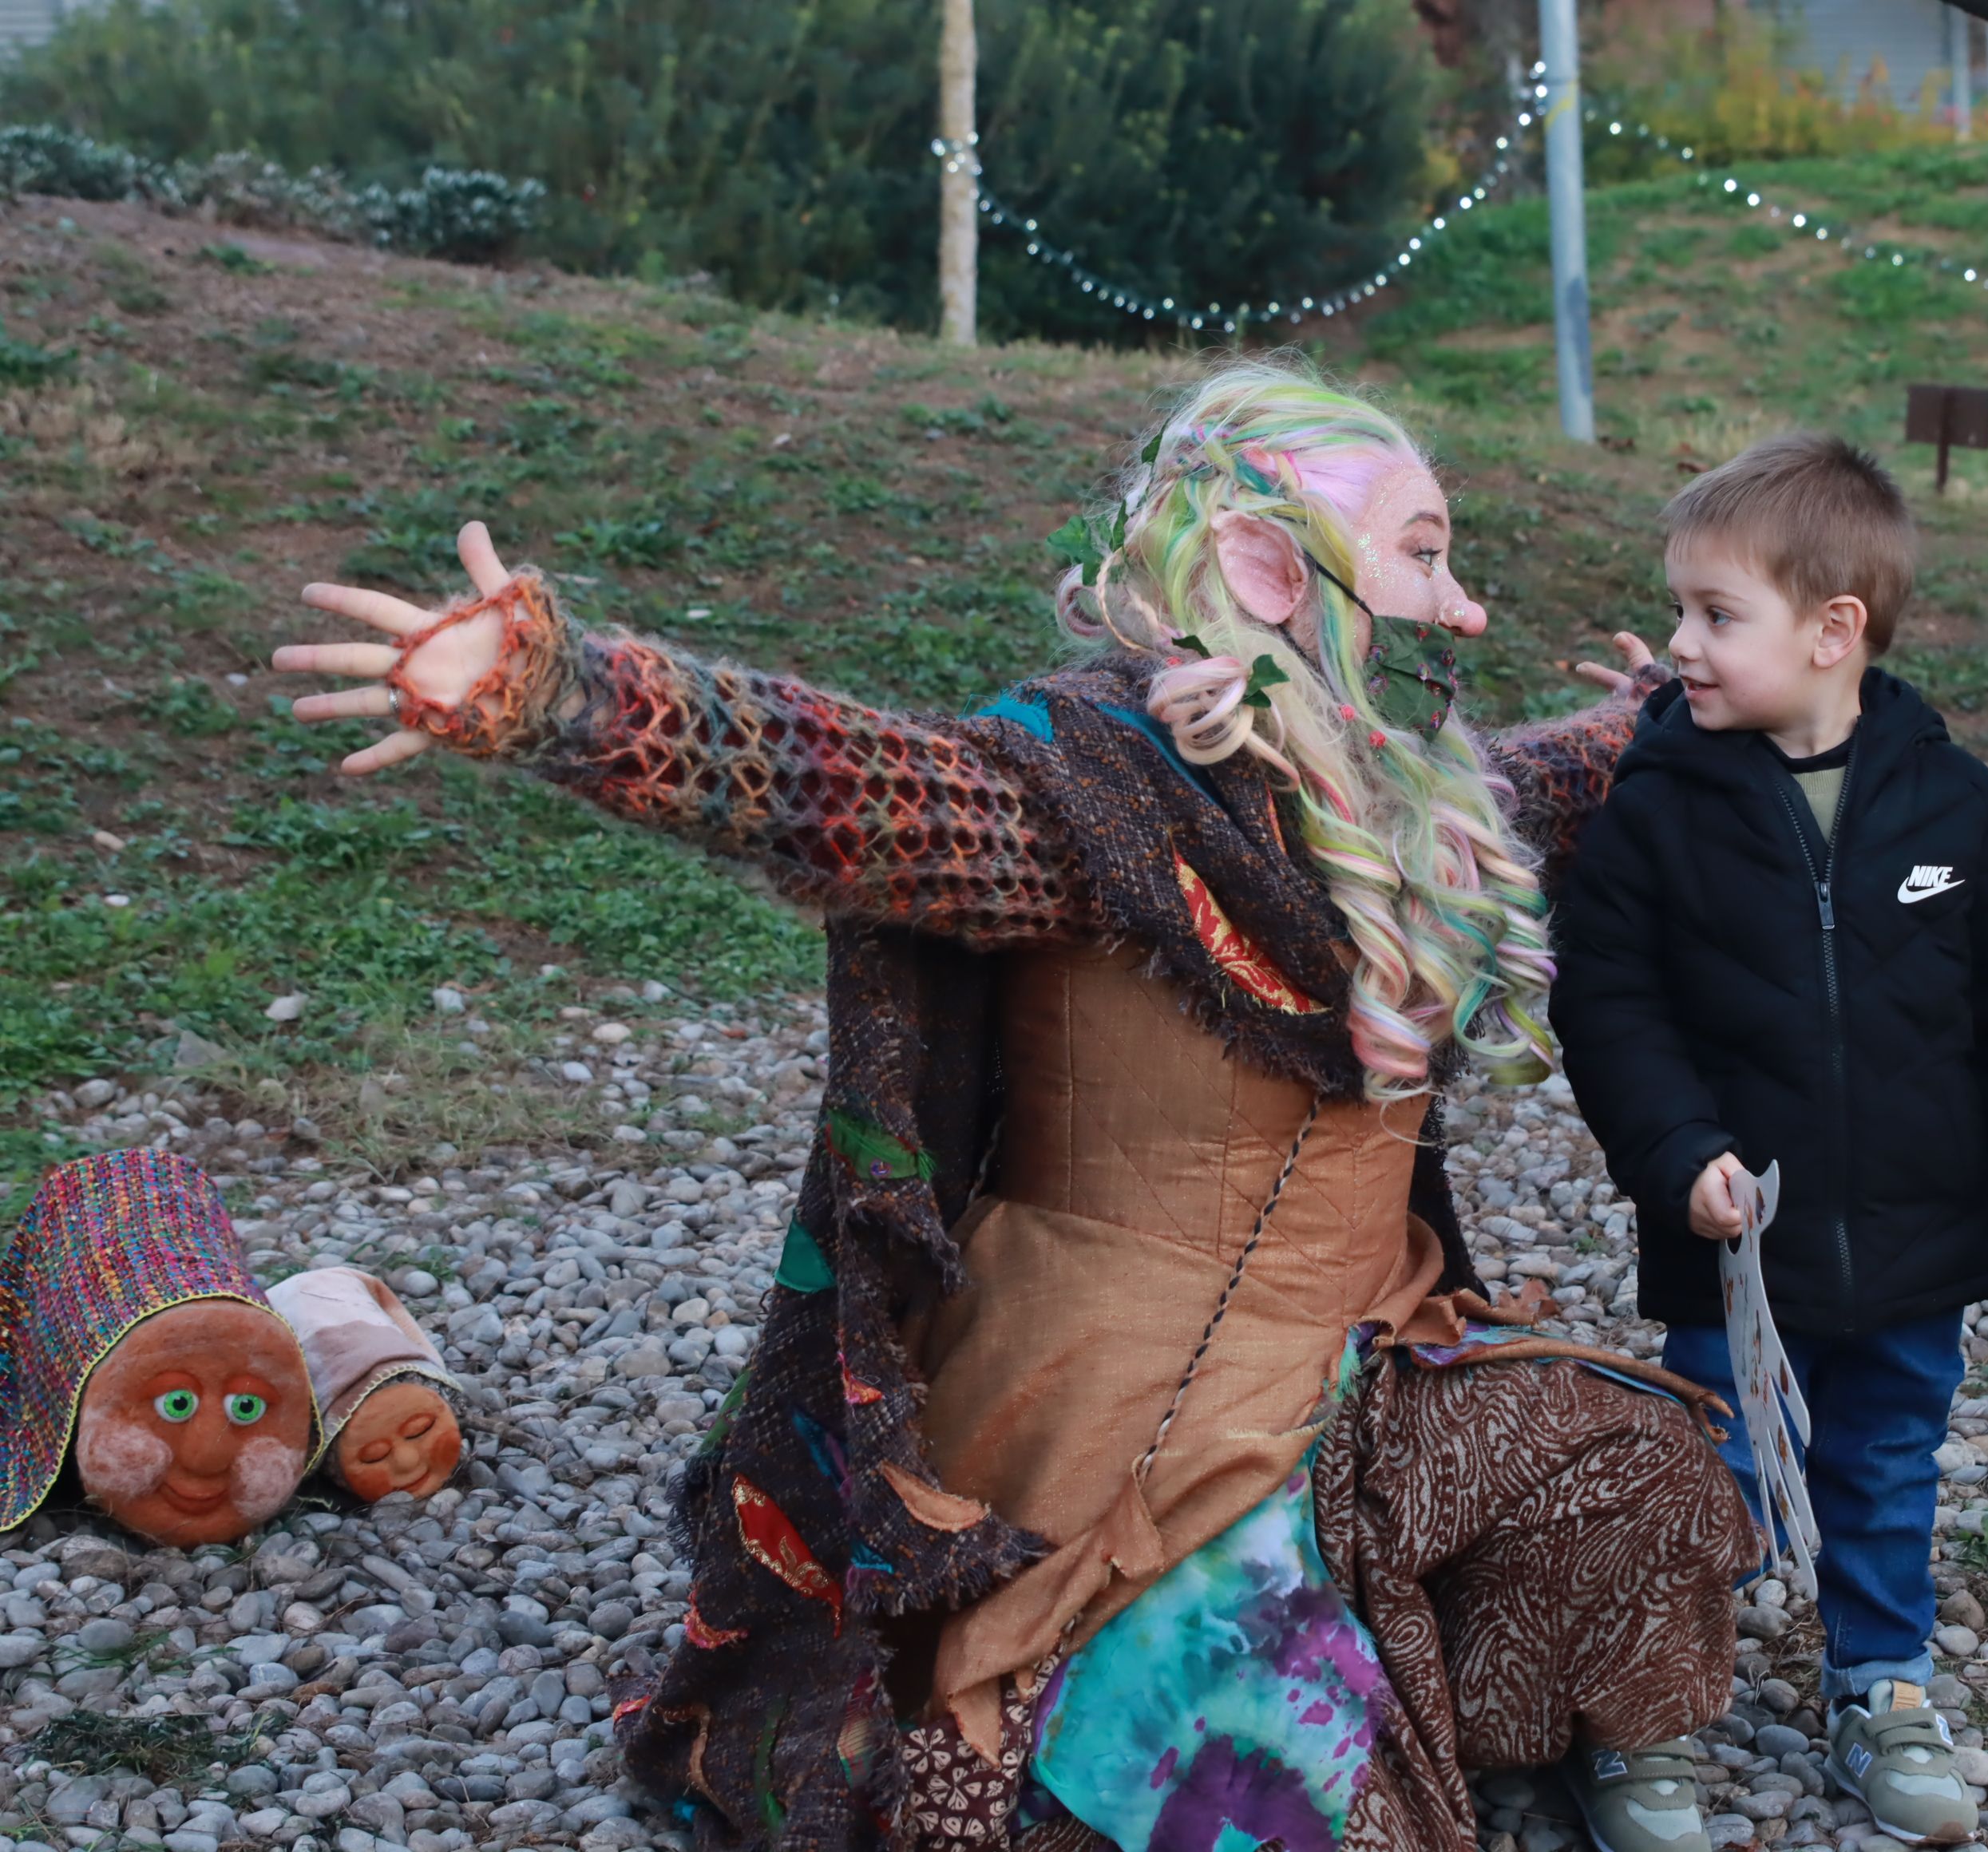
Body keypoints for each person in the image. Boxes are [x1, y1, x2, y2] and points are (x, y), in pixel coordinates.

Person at [270, 358, 1756, 1852]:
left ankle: (1422, 1657)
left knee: (1650, 1479)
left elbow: (1548, 778)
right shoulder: (1089, 799)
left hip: (1372, 1357)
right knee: (1258, 1817)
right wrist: (567, 699)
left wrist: (1664, 704)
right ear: (1262, 563)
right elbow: (859, 789)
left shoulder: (1399, 795)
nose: (1465, 608)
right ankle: (1181, 1655)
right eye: (1425, 557)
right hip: (1127, 1411)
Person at [1550, 433, 1988, 1847]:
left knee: (1886, 1463)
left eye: (1716, 616)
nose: (1681, 646)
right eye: (1682, 611)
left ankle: (1879, 1683)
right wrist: (1674, 1147)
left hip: (1919, 1234)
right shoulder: (1656, 816)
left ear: (1835, 634)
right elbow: (1614, 1013)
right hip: (1734, 1245)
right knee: (1705, 1480)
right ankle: (1651, 1714)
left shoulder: (1962, 813)